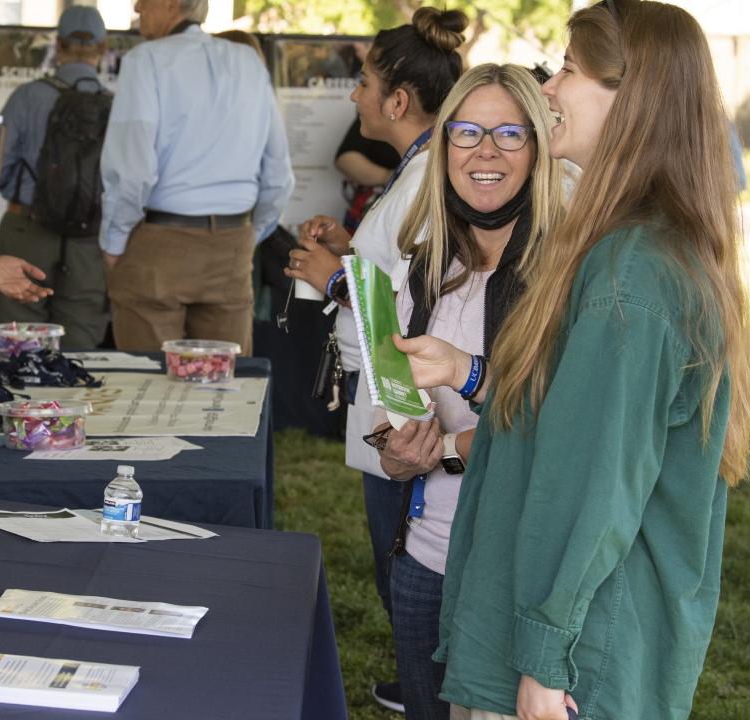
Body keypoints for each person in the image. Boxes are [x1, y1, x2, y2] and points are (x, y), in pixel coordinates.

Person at [395, 2, 750, 719]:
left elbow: (597, 482)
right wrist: (468, 370)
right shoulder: (625, 250)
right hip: (562, 647)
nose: (550, 88)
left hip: (570, 666)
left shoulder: (633, 273)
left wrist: (542, 659)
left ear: (632, 99)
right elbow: (571, 411)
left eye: (568, 68)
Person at [282, 8, 467, 713]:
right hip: (387, 387)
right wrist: (351, 245)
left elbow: (415, 298)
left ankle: (431, 687)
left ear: (396, 100)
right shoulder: (417, 169)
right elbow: (394, 265)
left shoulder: (427, 176)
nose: (352, 96)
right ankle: (422, 680)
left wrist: (335, 277)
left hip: (404, 398)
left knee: (402, 554)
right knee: (395, 551)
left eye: (362, 82)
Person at [371, 64, 566, 720]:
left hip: (512, 575)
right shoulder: (427, 265)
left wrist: (455, 417)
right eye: (468, 132)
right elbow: (390, 403)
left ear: (538, 148)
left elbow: (562, 432)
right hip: (424, 558)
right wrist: (392, 449)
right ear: (442, 146)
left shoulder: (566, 272)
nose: (486, 151)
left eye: (510, 133)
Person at [99, 0, 293, 354]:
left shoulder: (146, 60)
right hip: (232, 242)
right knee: (225, 391)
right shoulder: (248, 62)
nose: (138, 7)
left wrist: (114, 242)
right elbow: (279, 173)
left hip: (158, 242)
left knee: (149, 386)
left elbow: (131, 171)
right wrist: (252, 235)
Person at [0, 5, 111, 350]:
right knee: (81, 341)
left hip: (28, 229)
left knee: (18, 336)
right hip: (89, 240)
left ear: (58, 46)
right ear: (103, 49)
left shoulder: (28, 96)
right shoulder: (117, 105)